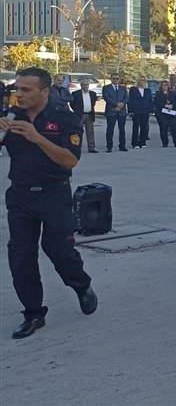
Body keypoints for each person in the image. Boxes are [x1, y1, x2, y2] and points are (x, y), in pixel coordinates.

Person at [1, 67, 98, 339]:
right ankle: (33, 313)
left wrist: (36, 137)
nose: (19, 94)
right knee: (20, 256)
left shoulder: (64, 118)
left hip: (53, 194)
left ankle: (81, 285)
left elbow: (70, 160)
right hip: (20, 195)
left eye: (26, 89)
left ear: (44, 91)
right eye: (16, 89)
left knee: (60, 250)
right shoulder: (12, 115)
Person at [102, 73, 129, 152]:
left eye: (117, 78)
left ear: (119, 79)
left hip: (122, 111)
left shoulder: (123, 88)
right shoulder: (106, 88)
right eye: (114, 78)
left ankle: (122, 146)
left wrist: (122, 104)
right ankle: (109, 146)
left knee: (122, 129)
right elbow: (106, 97)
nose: (115, 80)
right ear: (111, 79)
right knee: (110, 129)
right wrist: (116, 104)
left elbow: (126, 97)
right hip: (111, 111)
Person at [70, 81, 99, 153]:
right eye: (84, 85)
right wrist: (77, 111)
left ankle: (91, 148)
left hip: (89, 114)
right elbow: (72, 104)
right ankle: (76, 147)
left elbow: (93, 103)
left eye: (87, 85)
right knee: (77, 132)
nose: (85, 86)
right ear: (81, 86)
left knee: (90, 132)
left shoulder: (93, 94)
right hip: (80, 115)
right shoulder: (76, 94)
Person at [153, 80, 176, 148]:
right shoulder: (158, 94)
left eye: (166, 85)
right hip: (162, 115)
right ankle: (165, 143)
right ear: (161, 86)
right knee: (163, 129)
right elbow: (156, 103)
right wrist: (165, 105)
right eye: (163, 85)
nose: (165, 86)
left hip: (172, 114)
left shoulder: (172, 93)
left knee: (175, 129)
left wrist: (172, 105)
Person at [128, 78, 153, 149]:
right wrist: (130, 110)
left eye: (144, 80)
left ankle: (142, 142)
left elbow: (150, 101)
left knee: (144, 127)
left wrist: (151, 111)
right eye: (141, 80)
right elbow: (130, 100)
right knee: (136, 127)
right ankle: (135, 143)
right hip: (136, 111)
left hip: (145, 111)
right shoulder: (133, 89)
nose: (142, 82)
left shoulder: (148, 90)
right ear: (138, 81)